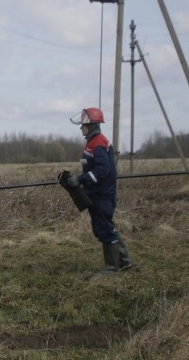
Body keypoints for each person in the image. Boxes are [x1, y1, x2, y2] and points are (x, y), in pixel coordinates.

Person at [64, 107, 133, 274]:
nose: (81, 128)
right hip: (96, 194)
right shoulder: (93, 141)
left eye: (83, 125)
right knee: (105, 228)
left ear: (92, 125)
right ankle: (124, 262)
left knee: (104, 229)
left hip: (102, 195)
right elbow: (94, 168)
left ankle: (111, 269)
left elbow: (102, 170)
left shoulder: (99, 143)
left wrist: (80, 179)